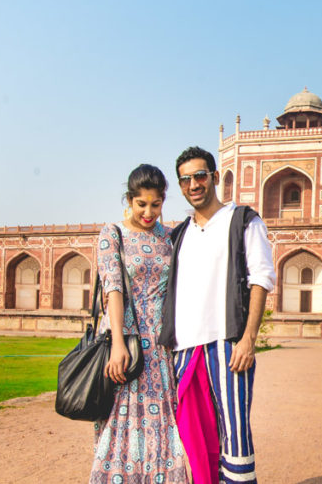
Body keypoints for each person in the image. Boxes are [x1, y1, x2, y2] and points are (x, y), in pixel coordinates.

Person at [159, 146, 275, 484]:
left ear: (213, 177)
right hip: (184, 348)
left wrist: (248, 339)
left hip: (227, 344)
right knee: (193, 434)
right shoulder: (180, 234)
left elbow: (261, 279)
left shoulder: (242, 220)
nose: (193, 184)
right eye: (185, 180)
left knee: (235, 431)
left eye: (199, 176)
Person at [92, 164, 189, 483]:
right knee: (122, 420)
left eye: (156, 204)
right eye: (141, 204)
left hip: (160, 348)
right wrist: (118, 343)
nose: (149, 212)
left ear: (163, 201)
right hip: (128, 342)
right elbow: (114, 289)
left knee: (162, 422)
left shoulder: (168, 238)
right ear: (129, 200)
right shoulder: (113, 234)